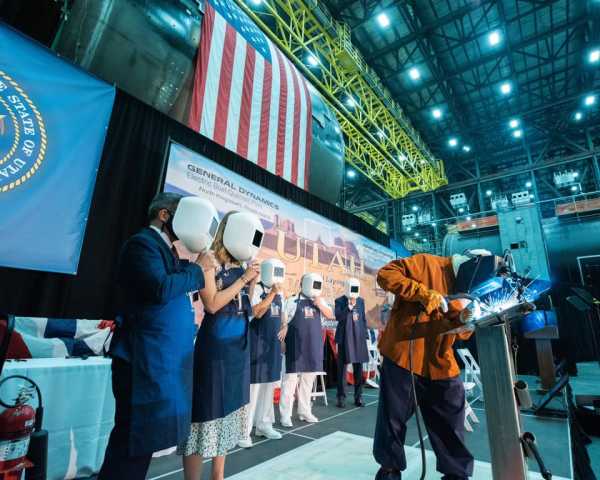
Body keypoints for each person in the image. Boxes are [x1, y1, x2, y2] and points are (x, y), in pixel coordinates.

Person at [98, 193, 216, 480]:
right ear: (165, 215)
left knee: (143, 444)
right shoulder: (143, 244)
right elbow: (160, 288)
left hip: (159, 362)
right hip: (141, 362)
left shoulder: (167, 251)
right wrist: (198, 268)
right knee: (131, 443)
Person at [373, 253, 479, 480]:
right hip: (404, 353)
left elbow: (465, 331)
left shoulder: (471, 286)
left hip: (439, 358)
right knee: (393, 417)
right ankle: (389, 469)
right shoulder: (426, 263)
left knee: (451, 416)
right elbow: (385, 274)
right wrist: (422, 293)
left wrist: (465, 318)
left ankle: (456, 473)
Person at [180, 211, 264, 480]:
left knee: (228, 413)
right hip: (215, 349)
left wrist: (250, 284)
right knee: (204, 414)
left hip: (238, 348)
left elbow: (245, 308)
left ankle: (218, 476)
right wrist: (242, 280)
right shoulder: (208, 261)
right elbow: (213, 304)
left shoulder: (242, 265)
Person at [238, 258, 288, 448]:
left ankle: (264, 425)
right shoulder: (257, 288)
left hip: (272, 348)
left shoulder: (280, 294)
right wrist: (272, 293)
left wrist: (285, 326)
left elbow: (283, 317)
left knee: (269, 388)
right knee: (252, 391)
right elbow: (256, 312)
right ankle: (244, 431)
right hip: (255, 347)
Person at [279, 273, 334, 427]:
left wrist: (319, 304)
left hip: (312, 347)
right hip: (294, 347)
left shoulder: (319, 300)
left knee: (308, 382)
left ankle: (304, 411)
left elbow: (330, 315)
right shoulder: (291, 300)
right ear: (302, 284)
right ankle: (285, 415)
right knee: (289, 382)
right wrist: (283, 335)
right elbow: (283, 322)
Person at [334, 278, 369, 408]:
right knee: (342, 369)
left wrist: (365, 335)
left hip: (358, 338)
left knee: (358, 369)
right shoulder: (340, 300)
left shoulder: (361, 301)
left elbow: (363, 319)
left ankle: (358, 397)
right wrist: (349, 307)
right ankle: (341, 397)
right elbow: (338, 317)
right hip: (344, 339)